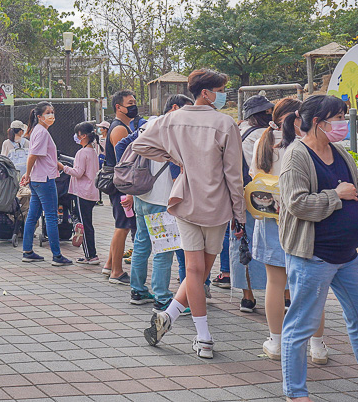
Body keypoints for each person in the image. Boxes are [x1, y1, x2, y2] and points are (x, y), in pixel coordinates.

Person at [277, 95, 358, 402]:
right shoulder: (296, 156)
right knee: (302, 325)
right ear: (318, 122)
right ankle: (296, 393)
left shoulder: (338, 151)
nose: (342, 123)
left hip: (347, 256)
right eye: (338, 117)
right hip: (313, 256)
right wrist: (336, 195)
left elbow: (355, 191)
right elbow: (297, 204)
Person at [133, 68, 246, 360]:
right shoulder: (226, 123)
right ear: (206, 93)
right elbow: (234, 175)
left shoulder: (172, 118)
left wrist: (176, 158)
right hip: (218, 204)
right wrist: (239, 213)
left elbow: (140, 145)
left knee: (196, 273)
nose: (223, 95)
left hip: (184, 199)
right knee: (201, 272)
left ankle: (176, 320)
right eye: (221, 89)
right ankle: (202, 335)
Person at [250, 98, 329, 365]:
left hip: (270, 220)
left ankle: (276, 341)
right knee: (309, 287)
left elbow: (255, 178)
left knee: (275, 283)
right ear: (299, 118)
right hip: (305, 223)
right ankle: (316, 346)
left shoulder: (263, 142)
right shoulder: (305, 145)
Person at [117, 94, 193, 307]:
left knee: (142, 245)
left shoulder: (147, 125)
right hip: (161, 198)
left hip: (142, 194)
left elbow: (121, 147)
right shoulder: (170, 128)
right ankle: (162, 297)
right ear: (175, 107)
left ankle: (138, 291)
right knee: (164, 249)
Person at [228, 94, 275, 311]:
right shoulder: (277, 135)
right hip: (275, 197)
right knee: (276, 242)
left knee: (243, 242)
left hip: (247, 196)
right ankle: (284, 294)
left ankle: (247, 296)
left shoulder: (239, 135)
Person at [20, 101, 73, 266]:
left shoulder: (37, 130)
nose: (51, 115)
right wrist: (27, 174)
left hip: (38, 179)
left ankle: (27, 251)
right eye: (48, 112)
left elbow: (45, 157)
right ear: (39, 116)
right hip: (44, 179)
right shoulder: (42, 132)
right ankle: (57, 255)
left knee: (32, 216)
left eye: (52, 112)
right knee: (50, 216)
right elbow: (33, 155)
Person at [105, 90, 140, 284]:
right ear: (119, 107)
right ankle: (116, 272)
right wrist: (129, 190)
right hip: (121, 185)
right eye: (130, 103)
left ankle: (109, 265)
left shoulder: (122, 127)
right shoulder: (119, 129)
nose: (133, 106)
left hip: (119, 184)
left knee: (122, 226)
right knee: (122, 226)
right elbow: (124, 162)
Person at [62, 121, 101, 266]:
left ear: (83, 136)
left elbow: (78, 173)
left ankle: (91, 255)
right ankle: (90, 254)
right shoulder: (93, 151)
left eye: (77, 134)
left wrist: (63, 167)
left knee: (84, 224)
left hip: (82, 192)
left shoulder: (82, 153)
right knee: (87, 222)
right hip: (92, 193)